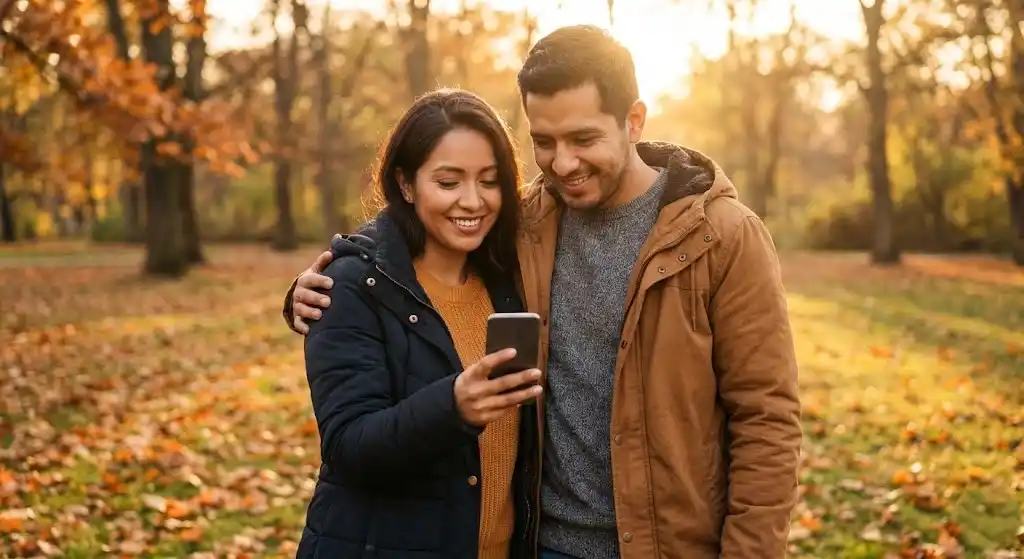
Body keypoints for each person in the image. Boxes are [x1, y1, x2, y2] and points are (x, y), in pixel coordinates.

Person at [285, 26, 802, 559]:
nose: (563, 164)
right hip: (540, 544)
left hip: (666, 546)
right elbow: (412, 247)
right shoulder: (528, 222)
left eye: (583, 139)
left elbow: (766, 418)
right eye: (544, 142)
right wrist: (315, 285)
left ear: (634, 120)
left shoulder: (722, 235)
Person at [293, 88, 543, 559]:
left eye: (489, 181)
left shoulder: (512, 275)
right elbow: (348, 447)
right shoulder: (350, 285)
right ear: (406, 184)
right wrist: (453, 408)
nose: (473, 201)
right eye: (448, 183)